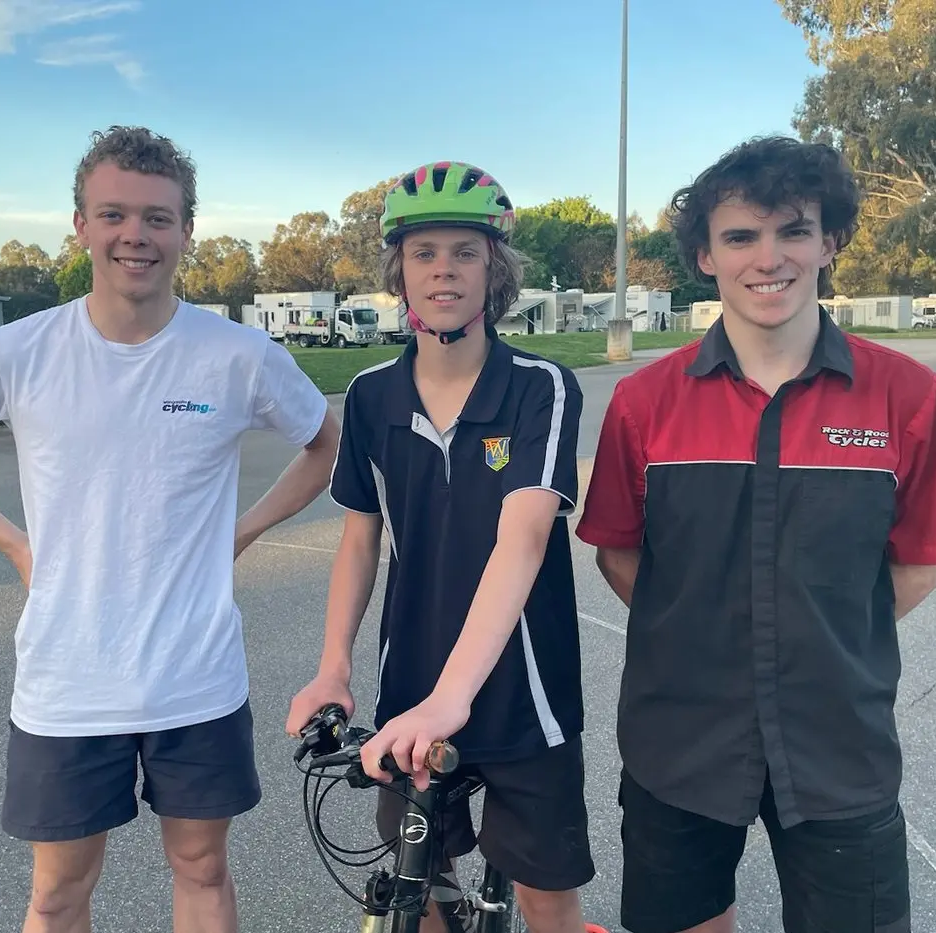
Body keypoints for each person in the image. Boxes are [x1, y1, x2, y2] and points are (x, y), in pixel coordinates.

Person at [0, 125, 340, 933]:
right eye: (115, 214)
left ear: (187, 231)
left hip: (195, 674)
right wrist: (14, 542)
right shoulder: (17, 351)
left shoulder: (238, 355)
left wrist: (246, 528)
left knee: (201, 867)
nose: (137, 235)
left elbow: (325, 447)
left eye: (159, 218)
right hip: (68, 680)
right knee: (59, 894)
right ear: (82, 225)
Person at [576, 135, 936, 933]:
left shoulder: (907, 395)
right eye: (740, 236)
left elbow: (916, 569)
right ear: (704, 255)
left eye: (793, 230)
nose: (769, 257)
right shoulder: (642, 403)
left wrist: (811, 631)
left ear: (829, 243)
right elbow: (621, 555)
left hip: (838, 745)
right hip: (678, 742)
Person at [286, 161, 606, 933]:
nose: (444, 271)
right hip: (413, 686)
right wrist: (333, 665)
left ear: (494, 267)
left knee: (547, 896)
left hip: (523, 692)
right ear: (399, 269)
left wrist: (455, 694)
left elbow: (523, 537)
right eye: (424, 253)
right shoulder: (369, 395)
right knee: (414, 878)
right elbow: (360, 538)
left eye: (465, 251)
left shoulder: (542, 386)